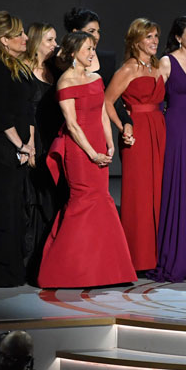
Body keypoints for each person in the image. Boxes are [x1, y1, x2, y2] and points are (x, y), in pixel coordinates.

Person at [37, 32, 136, 288]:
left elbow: (103, 112)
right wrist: (92, 153)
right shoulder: (65, 82)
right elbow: (71, 124)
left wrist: (111, 142)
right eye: (87, 49)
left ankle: (105, 271)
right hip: (80, 151)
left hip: (98, 144)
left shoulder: (96, 78)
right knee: (82, 203)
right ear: (72, 53)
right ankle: (62, 271)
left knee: (102, 203)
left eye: (93, 48)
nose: (92, 53)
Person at [0, 11, 37, 288]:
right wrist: (21, 145)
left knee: (15, 209)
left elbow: (28, 110)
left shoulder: (17, 66)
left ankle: (13, 270)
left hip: (20, 148)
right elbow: (1, 116)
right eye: (20, 34)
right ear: (4, 40)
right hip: (1, 149)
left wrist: (30, 145)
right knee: (4, 210)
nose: (26, 38)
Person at [147, 16, 186, 283]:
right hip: (175, 129)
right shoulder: (166, 62)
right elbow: (153, 98)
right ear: (178, 37)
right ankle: (172, 258)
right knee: (176, 189)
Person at [105, 18, 167, 273]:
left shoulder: (157, 66)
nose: (154, 41)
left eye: (156, 37)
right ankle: (138, 259)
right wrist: (123, 127)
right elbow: (108, 102)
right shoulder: (128, 69)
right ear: (135, 40)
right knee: (139, 196)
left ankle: (159, 254)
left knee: (160, 192)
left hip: (160, 131)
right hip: (137, 134)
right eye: (149, 37)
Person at [22, 22, 63, 282]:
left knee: (52, 202)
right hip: (33, 143)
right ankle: (29, 263)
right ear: (37, 42)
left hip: (54, 142)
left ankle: (50, 261)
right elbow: (23, 112)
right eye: (50, 40)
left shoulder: (55, 71)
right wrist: (30, 147)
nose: (55, 45)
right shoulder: (24, 71)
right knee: (32, 203)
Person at [63, 7, 132, 130]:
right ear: (75, 33)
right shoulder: (62, 61)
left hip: (98, 128)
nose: (96, 36)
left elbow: (113, 98)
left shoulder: (107, 59)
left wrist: (126, 122)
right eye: (91, 31)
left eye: (98, 31)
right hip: (71, 127)